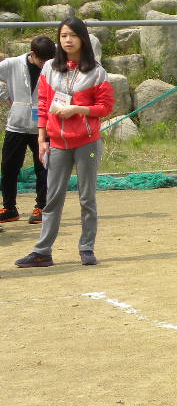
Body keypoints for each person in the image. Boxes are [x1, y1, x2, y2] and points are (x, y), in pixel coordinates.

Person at [15, 18, 113, 268]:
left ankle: (86, 248)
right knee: (53, 198)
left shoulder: (97, 72)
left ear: (83, 38)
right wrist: (42, 138)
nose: (68, 40)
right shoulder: (49, 68)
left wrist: (78, 109)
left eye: (73, 35)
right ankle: (42, 252)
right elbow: (43, 104)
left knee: (86, 197)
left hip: (87, 143)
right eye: (63, 36)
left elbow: (105, 107)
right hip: (57, 142)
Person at [0, 36, 55, 226]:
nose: (45, 65)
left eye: (49, 61)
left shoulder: (54, 66)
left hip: (43, 124)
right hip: (16, 125)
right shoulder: (13, 64)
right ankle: (9, 208)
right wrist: (4, 96)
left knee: (44, 167)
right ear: (32, 54)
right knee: (9, 167)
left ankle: (42, 206)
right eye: (42, 61)